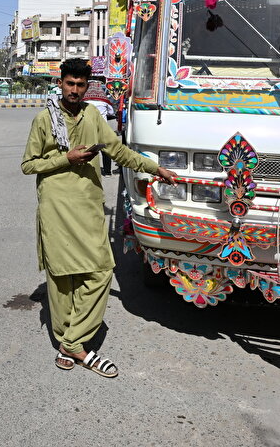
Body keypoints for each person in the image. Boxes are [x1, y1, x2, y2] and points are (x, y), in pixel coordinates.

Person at [20, 58, 178, 379]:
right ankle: (74, 344)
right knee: (62, 278)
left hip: (89, 208)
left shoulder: (93, 116)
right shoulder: (43, 120)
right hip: (56, 208)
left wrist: (154, 168)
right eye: (69, 84)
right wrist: (67, 158)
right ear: (60, 83)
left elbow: (119, 152)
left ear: (87, 86)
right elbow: (29, 165)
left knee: (100, 272)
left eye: (80, 85)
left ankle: (71, 342)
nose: (74, 90)